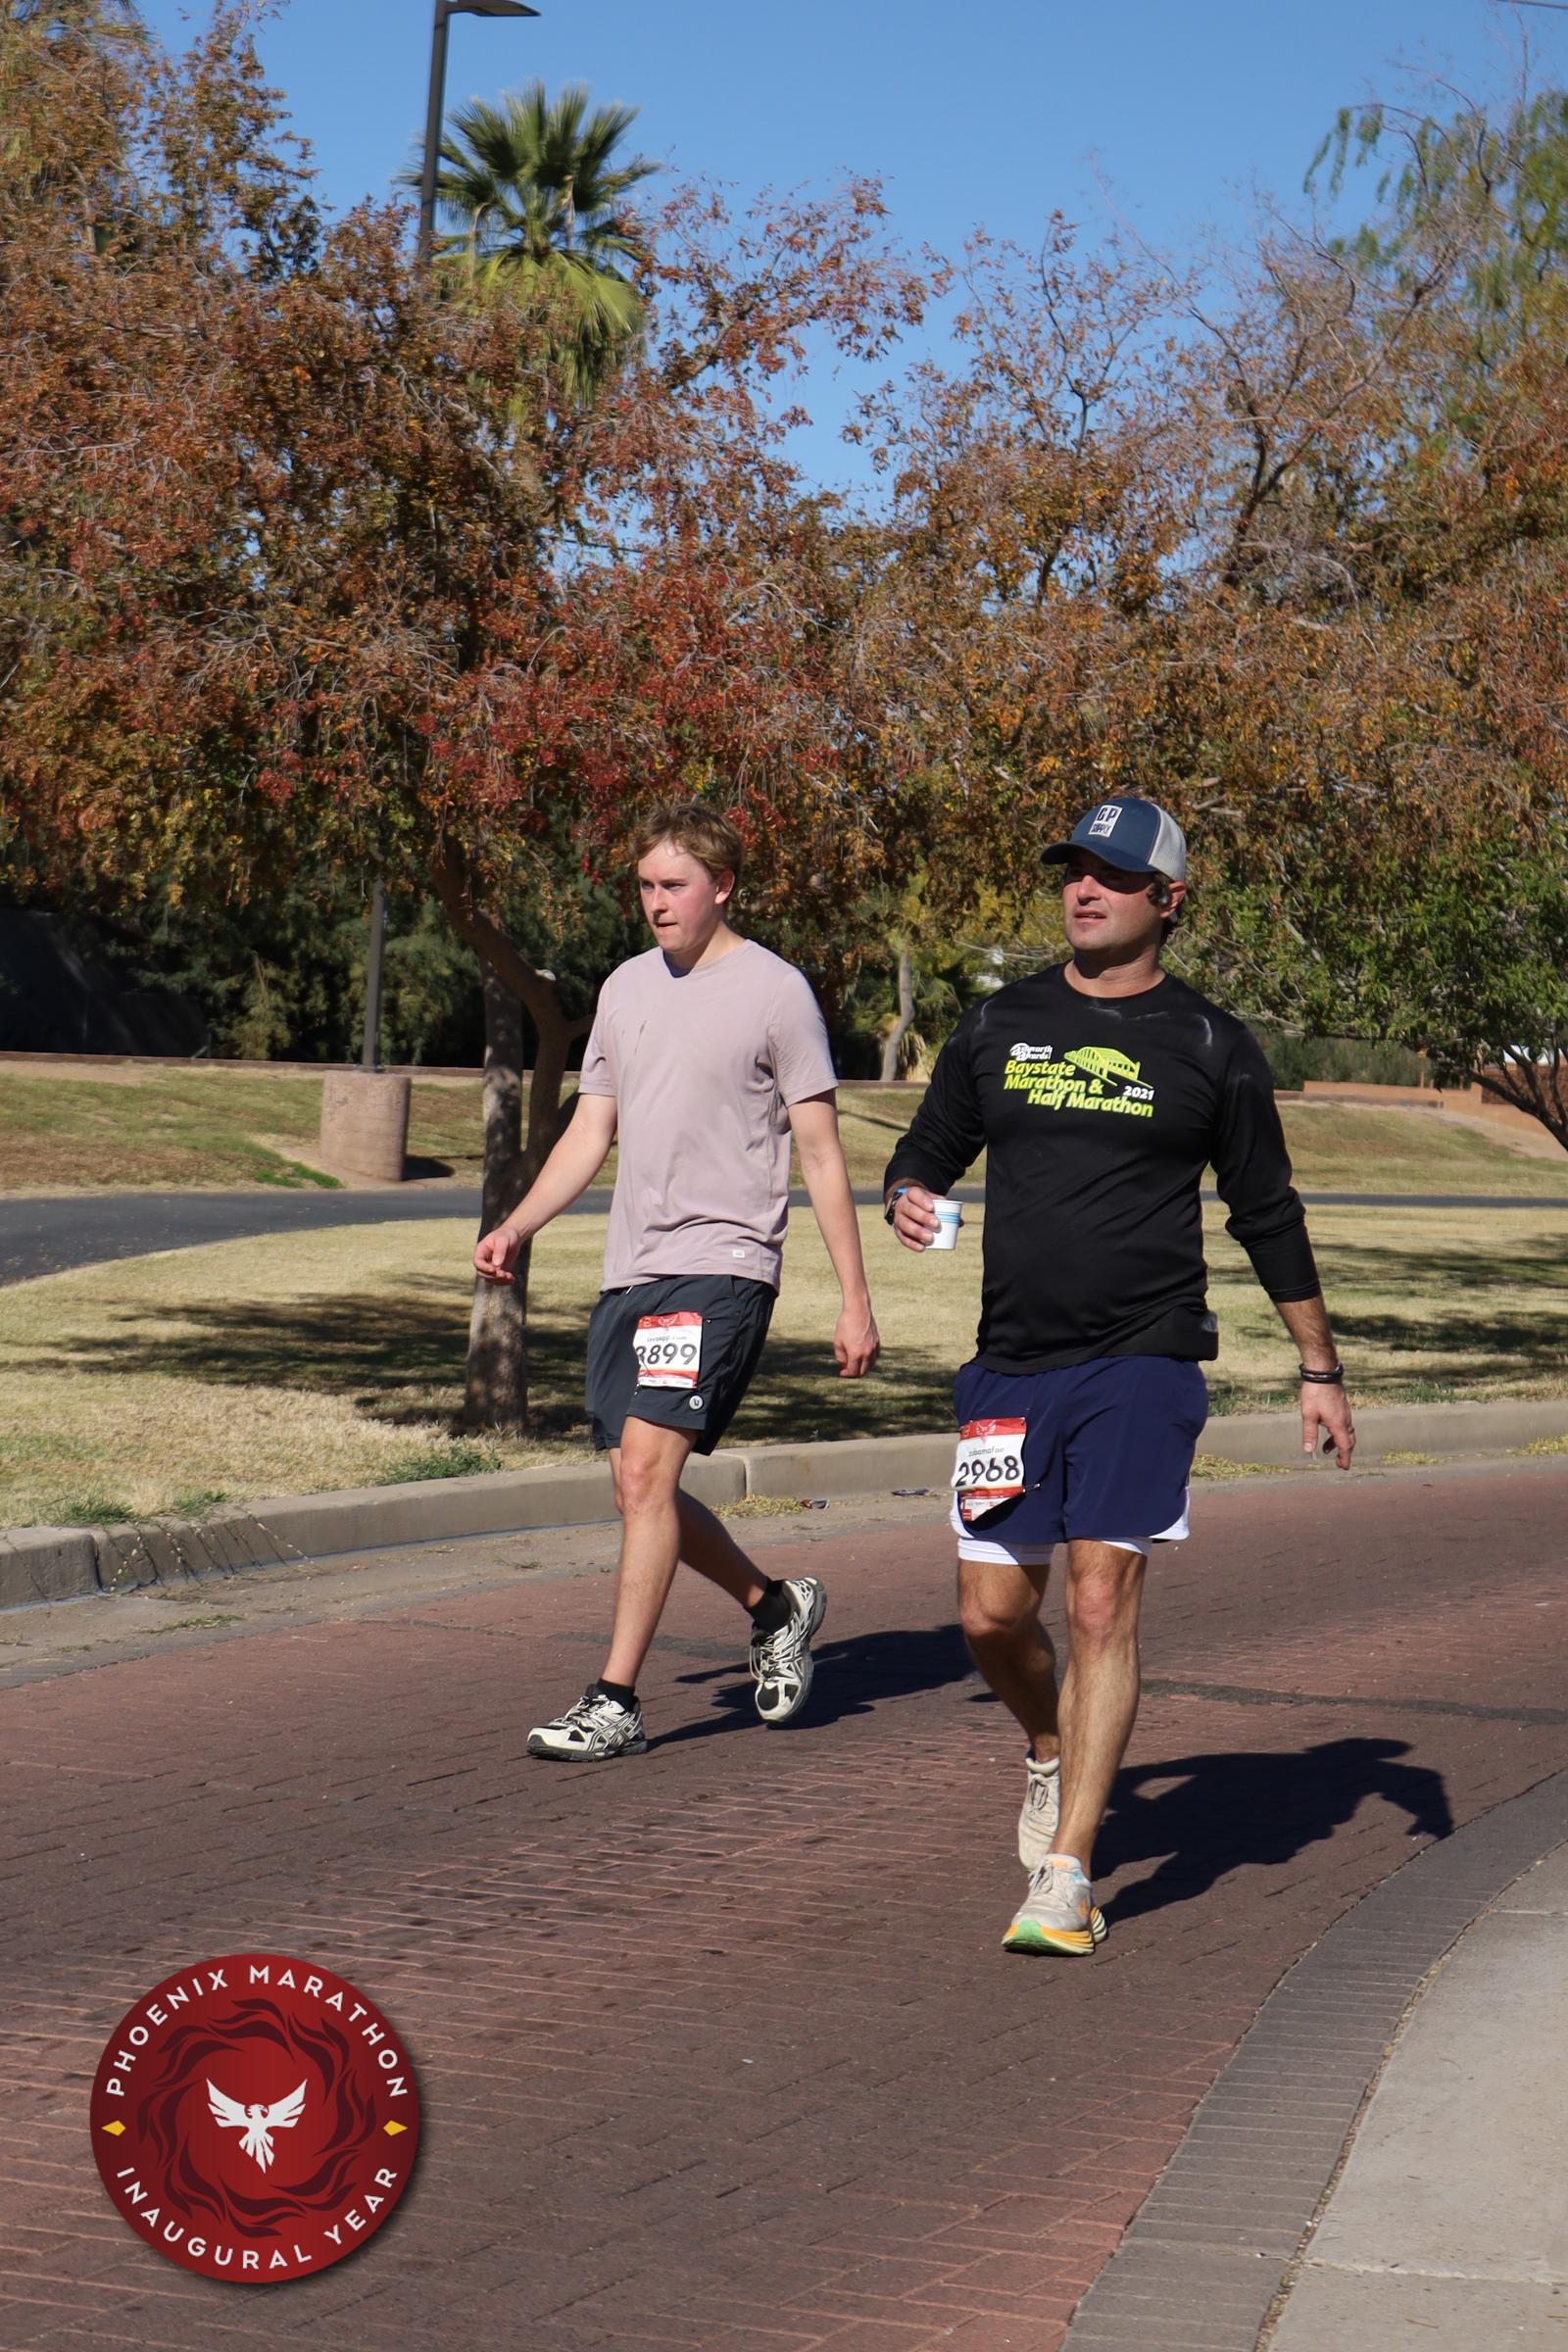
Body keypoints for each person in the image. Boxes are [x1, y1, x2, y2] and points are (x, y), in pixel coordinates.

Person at [882, 793, 1354, 1956]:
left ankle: (1068, 1874)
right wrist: (908, 1191)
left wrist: (1318, 1365)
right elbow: (929, 1146)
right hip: (1010, 1365)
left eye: (1110, 874)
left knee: (1097, 1602)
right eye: (1071, 871)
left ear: (1168, 899)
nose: (1082, 889)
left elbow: (1265, 1211)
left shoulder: (1210, 1044)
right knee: (990, 1617)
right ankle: (1049, 1743)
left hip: (1143, 1359)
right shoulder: (999, 1022)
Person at [475, 801, 881, 1759]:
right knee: (636, 1485)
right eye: (646, 887)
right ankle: (774, 1606)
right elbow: (591, 1129)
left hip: (724, 1264)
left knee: (650, 1472)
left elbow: (821, 1152)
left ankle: (614, 1699)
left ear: (722, 886)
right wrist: (520, 1222)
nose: (656, 903)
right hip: (634, 1271)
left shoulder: (776, 993)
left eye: (674, 885)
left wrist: (854, 1298)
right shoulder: (624, 989)